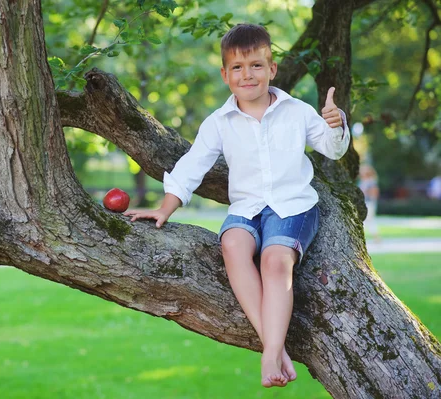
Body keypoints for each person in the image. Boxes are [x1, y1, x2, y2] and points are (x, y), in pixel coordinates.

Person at [124, 23, 350, 388]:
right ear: (225, 75)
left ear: (272, 69)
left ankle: (269, 354)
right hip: (246, 209)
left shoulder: (297, 111)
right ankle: (276, 348)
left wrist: (336, 125)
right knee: (232, 245)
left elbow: (333, 149)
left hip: (293, 207)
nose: (248, 75)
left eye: (257, 65)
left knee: (275, 262)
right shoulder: (219, 122)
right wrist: (165, 207)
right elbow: (191, 165)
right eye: (238, 68)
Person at [358, 164, 380, 241]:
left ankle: (376, 238)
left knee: (368, 220)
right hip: (364, 203)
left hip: (369, 203)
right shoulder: (363, 181)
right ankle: (375, 238)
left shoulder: (371, 182)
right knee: (366, 220)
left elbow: (374, 193)